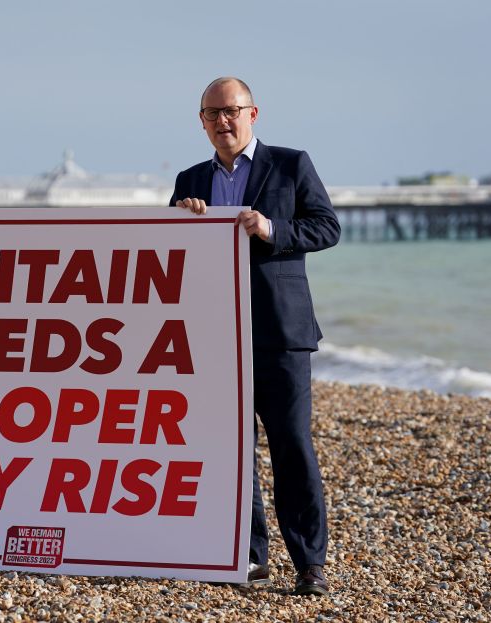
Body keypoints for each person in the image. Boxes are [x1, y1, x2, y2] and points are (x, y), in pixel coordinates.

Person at [172, 77, 340, 596]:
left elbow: (327, 228)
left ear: (253, 113)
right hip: (215, 336)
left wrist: (272, 230)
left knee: (292, 446)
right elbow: (169, 259)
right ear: (201, 121)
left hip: (280, 334)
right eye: (212, 113)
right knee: (231, 450)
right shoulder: (189, 178)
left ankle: (310, 562)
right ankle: (248, 556)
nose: (223, 121)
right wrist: (177, 222)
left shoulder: (292, 164)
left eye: (232, 111)